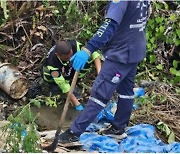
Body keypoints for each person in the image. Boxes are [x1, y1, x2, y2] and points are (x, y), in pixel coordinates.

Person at [58, 0, 150, 143]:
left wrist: (88, 49)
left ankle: (73, 133)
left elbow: (109, 25)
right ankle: (118, 128)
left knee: (99, 93)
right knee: (126, 91)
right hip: (135, 49)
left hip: (120, 54)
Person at [42, 40, 102, 111]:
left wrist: (100, 74)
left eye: (71, 55)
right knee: (58, 94)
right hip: (52, 80)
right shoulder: (51, 64)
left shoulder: (75, 45)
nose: (70, 58)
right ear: (58, 55)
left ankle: (72, 87)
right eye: (67, 58)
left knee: (85, 60)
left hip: (68, 70)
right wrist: (77, 104)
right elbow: (63, 85)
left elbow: (94, 53)